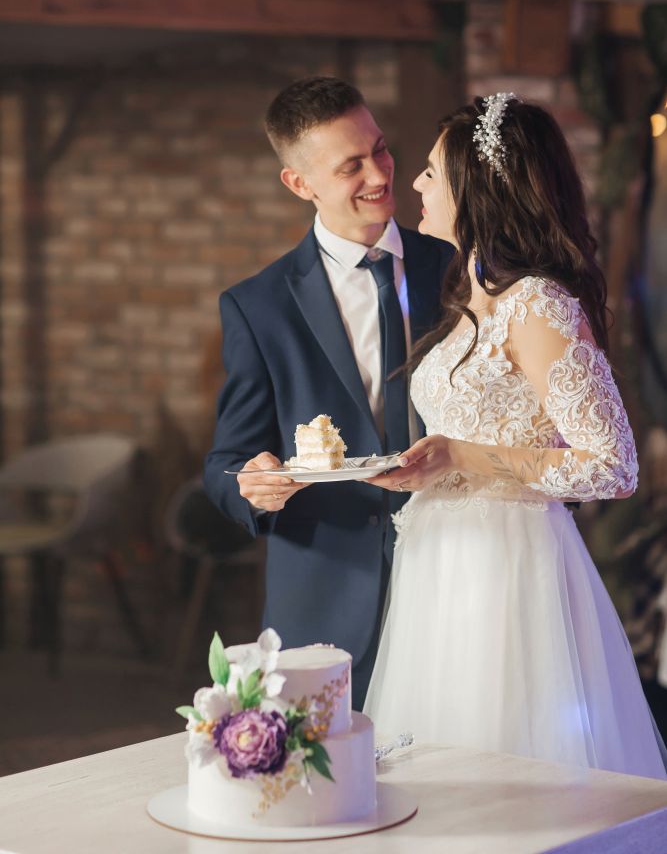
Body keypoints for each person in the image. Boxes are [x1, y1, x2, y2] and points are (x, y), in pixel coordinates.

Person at [363, 92, 667, 778]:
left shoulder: (537, 303)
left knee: (506, 769)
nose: (416, 185)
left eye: (432, 172)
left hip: (506, 568)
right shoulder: (474, 301)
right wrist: (427, 466)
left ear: (476, 189)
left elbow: (612, 465)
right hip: (440, 562)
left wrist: (460, 455)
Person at [204, 76, 453, 708]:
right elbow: (226, 459)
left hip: (456, 577)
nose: (379, 173)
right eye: (350, 166)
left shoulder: (457, 268)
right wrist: (249, 483)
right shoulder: (258, 306)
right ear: (300, 183)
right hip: (325, 601)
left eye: (380, 149)